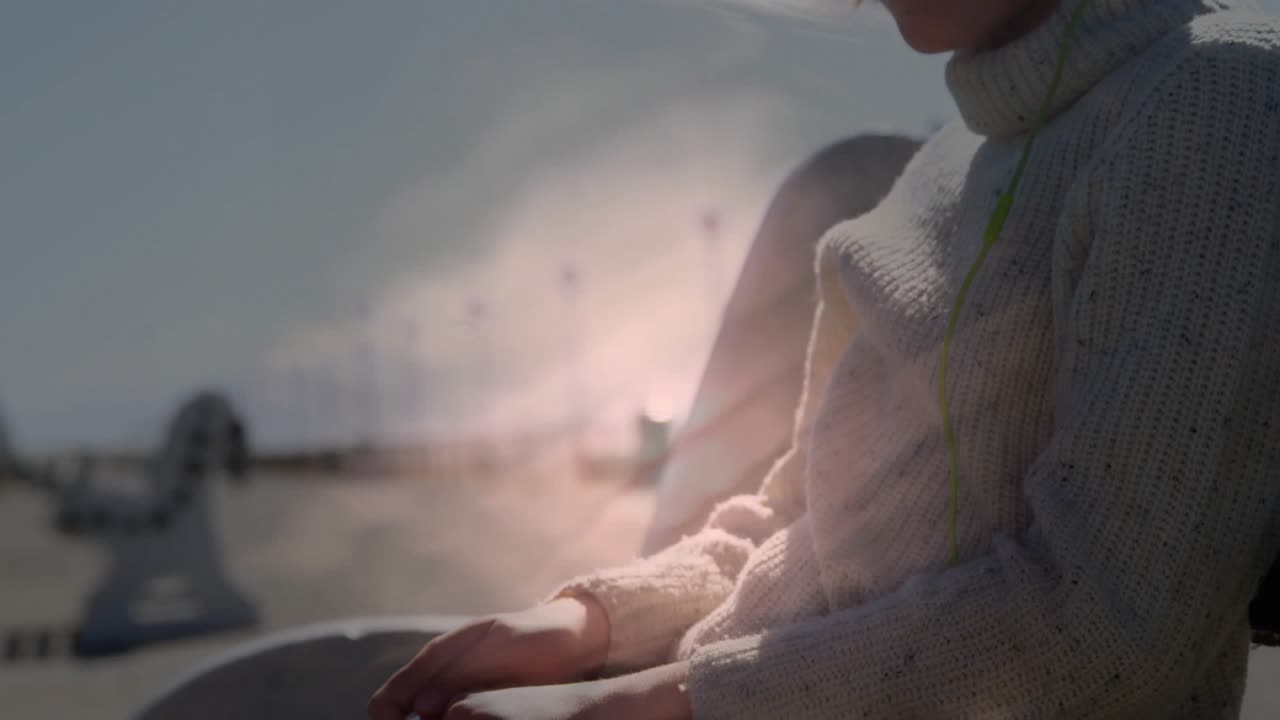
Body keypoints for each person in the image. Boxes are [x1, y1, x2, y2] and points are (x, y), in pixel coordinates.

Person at [369, 0, 1280, 717]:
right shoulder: (932, 174)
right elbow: (794, 518)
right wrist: (587, 625)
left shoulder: (1217, 96)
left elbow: (1111, 623)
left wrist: (659, 705)